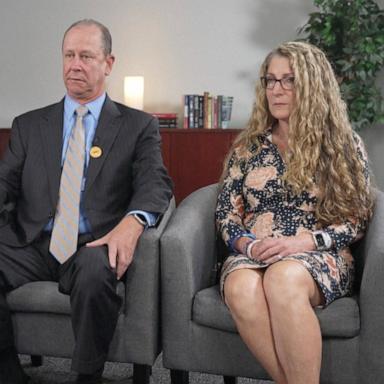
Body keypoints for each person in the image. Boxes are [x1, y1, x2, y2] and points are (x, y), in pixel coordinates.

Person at [0, 19, 172, 384]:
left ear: (108, 63)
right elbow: (4, 183)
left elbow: (155, 183)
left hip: (92, 244)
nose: (75, 65)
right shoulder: (30, 125)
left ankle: (87, 376)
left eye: (86, 56)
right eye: (69, 55)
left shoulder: (137, 126)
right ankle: (8, 370)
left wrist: (132, 223)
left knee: (97, 271)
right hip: (31, 241)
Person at [216, 41, 374, 384]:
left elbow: (356, 220)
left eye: (289, 80)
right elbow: (227, 215)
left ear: (312, 85)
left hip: (317, 254)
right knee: (242, 287)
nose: (277, 90)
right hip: (254, 253)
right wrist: (250, 247)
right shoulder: (248, 147)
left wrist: (302, 242)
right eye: (270, 81)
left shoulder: (343, 145)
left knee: (283, 278)